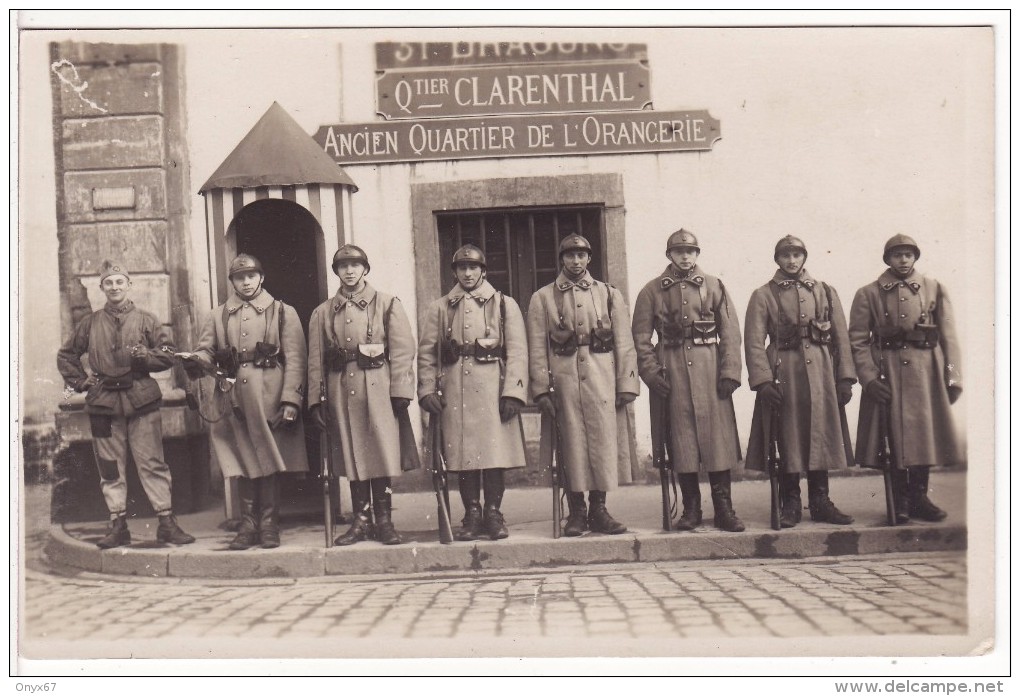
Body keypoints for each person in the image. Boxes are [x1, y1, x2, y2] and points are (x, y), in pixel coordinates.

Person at [57, 260, 194, 549]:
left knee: (153, 462)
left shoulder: (147, 320)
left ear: (129, 285)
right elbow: (66, 356)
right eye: (109, 283)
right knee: (109, 468)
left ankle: (166, 524)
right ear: (102, 288)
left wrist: (146, 357)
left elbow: (169, 354)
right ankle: (118, 525)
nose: (115, 287)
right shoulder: (89, 323)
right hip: (103, 404)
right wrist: (82, 382)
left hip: (141, 400)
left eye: (120, 282)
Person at [189, 254, 308, 549]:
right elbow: (206, 349)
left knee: (267, 457)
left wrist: (291, 400)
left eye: (251, 276)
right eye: (239, 277)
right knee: (241, 458)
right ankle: (248, 524)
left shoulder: (282, 312)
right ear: (232, 282)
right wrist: (196, 359)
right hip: (234, 397)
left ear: (262, 278)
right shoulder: (218, 315)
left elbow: (296, 359)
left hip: (269, 395)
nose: (246, 281)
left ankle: (269, 524)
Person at [632, 229, 745, 533]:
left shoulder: (714, 285)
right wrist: (652, 373)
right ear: (669, 255)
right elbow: (641, 338)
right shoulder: (652, 291)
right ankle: (691, 508)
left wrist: (730, 372)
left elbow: (731, 332)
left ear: (697, 254)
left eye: (690, 251)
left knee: (717, 441)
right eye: (679, 251)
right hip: (672, 370)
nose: (685, 256)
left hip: (710, 371)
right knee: (680, 441)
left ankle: (724, 508)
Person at [529, 234, 640, 537]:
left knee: (603, 443)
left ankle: (599, 509)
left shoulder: (608, 294)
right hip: (564, 384)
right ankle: (576, 511)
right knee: (571, 445)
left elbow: (624, 344)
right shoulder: (543, 298)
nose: (576, 262)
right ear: (561, 259)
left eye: (581, 256)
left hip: (602, 381)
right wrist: (540, 389)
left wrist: (626, 384)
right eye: (569, 256)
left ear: (589, 259)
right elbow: (537, 348)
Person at [848, 235, 963, 523]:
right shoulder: (868, 293)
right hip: (888, 372)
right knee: (893, 438)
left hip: (927, 374)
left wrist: (954, 377)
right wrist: (869, 378)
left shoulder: (934, 288)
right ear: (887, 259)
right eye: (897, 255)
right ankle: (899, 499)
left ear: (915, 258)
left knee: (923, 436)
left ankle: (919, 498)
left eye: (908, 255)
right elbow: (858, 340)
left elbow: (948, 335)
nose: (903, 260)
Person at [418, 244, 529, 541]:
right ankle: (472, 513)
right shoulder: (440, 308)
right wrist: (427, 389)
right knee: (464, 457)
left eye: (474, 268)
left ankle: (493, 512)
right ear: (454, 272)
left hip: (493, 390)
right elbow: (427, 353)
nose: (468, 273)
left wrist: (513, 393)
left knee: (493, 456)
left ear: (483, 271)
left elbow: (517, 352)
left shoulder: (504, 304)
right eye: (462, 268)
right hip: (455, 392)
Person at [308, 245, 417, 546]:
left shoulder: (386, 304)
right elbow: (315, 360)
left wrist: (400, 390)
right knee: (352, 453)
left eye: (356, 265)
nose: (350, 271)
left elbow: (403, 350)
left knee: (380, 452)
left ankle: (384, 520)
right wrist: (316, 399)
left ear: (365, 269)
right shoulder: (322, 313)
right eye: (343, 266)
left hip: (378, 387)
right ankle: (361, 520)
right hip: (341, 389)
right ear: (336, 272)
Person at [744, 235, 856, 528]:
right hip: (785, 372)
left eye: (797, 255)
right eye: (785, 255)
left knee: (820, 433)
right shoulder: (763, 294)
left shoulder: (825, 292)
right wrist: (763, 381)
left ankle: (820, 501)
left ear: (804, 257)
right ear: (777, 259)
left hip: (820, 372)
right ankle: (790, 501)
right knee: (787, 436)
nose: (791, 261)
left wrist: (844, 377)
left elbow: (841, 337)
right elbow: (754, 341)